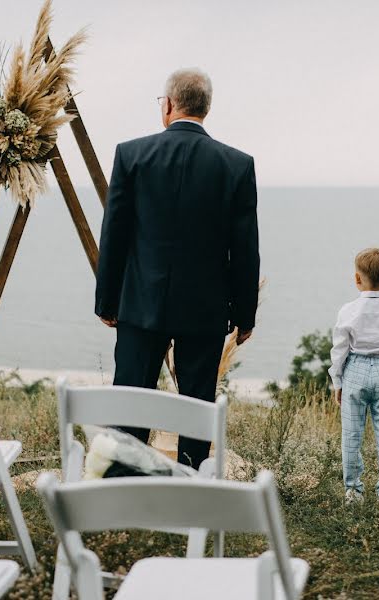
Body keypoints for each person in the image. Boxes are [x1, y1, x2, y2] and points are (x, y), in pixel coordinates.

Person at [95, 68, 260, 469]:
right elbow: (245, 248)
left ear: (169, 105)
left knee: (131, 399)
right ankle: (192, 484)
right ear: (206, 108)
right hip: (204, 309)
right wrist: (244, 314)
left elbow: (114, 233)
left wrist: (107, 302)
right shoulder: (236, 165)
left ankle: (122, 485)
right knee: (196, 404)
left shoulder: (131, 155)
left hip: (140, 304)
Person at [328, 248, 379, 506]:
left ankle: (353, 491)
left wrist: (337, 381)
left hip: (356, 370)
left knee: (352, 434)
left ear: (357, 278)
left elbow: (339, 350)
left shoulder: (348, 311)